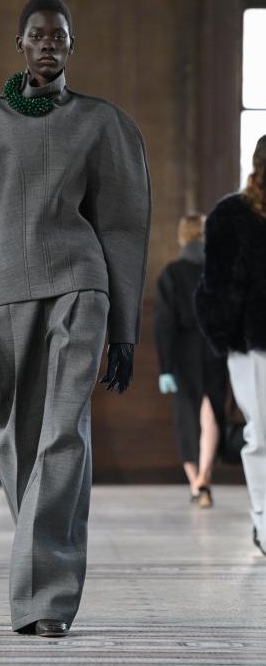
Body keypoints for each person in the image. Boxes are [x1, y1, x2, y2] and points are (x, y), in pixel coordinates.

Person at [0, 0, 151, 637]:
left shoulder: (101, 124)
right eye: (37, 33)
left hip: (81, 286)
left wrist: (124, 330)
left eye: (59, 34)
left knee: (62, 433)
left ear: (72, 45)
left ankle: (45, 602)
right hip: (5, 294)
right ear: (19, 44)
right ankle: (40, 566)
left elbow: (123, 224)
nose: (48, 42)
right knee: (11, 437)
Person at [195, 135, 266, 556]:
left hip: (249, 335)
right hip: (252, 341)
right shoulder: (230, 215)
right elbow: (215, 284)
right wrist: (224, 333)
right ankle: (264, 520)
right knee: (261, 434)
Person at [154, 214, 227, 507]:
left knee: (186, 417)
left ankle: (195, 482)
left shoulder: (171, 274)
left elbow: (164, 323)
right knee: (211, 412)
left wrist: (165, 367)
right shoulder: (219, 271)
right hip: (215, 349)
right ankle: (205, 478)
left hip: (182, 352)